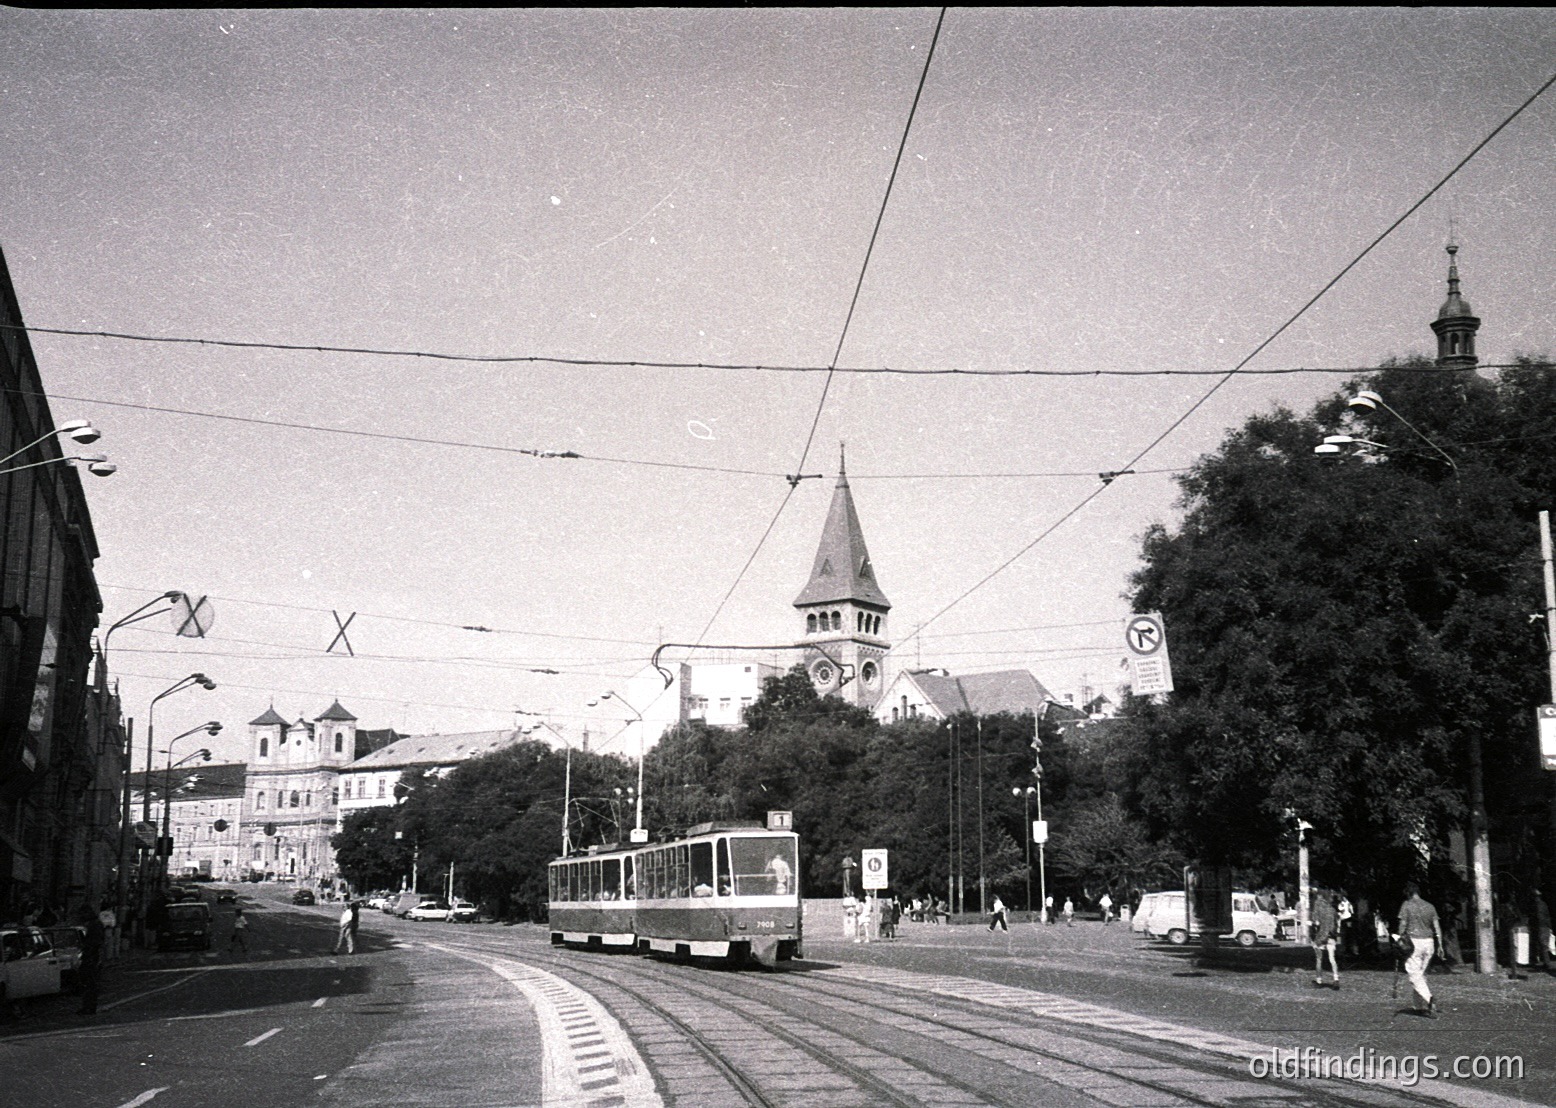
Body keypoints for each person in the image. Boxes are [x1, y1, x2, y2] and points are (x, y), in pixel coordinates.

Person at [1395, 881, 1443, 1017]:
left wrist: (1399, 939)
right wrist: (1440, 944)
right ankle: (1418, 1005)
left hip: (1414, 942)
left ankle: (1429, 1000)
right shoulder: (1430, 906)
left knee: (1414, 975)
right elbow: (1437, 927)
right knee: (1421, 974)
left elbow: (1402, 925)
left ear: (1408, 893)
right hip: (1429, 942)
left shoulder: (1407, 905)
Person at [77, 903, 105, 1015]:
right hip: (92, 956)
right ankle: (89, 1006)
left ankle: (89, 1007)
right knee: (90, 983)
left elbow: (95, 943)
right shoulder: (95, 924)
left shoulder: (94, 925)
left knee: (90, 983)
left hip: (92, 957)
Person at [1311, 891, 1340, 988]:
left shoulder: (1317, 906)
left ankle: (1319, 981)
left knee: (1319, 959)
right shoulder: (1332, 910)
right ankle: (1336, 979)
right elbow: (1336, 924)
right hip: (1331, 936)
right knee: (1332, 959)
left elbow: (1316, 922)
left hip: (1321, 936)